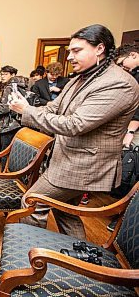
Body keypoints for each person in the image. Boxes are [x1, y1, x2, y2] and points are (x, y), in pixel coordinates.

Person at [9, 24, 139, 240]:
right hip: (67, 159)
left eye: (76, 50)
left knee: (32, 201)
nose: (69, 56)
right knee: (64, 210)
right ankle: (78, 257)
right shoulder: (81, 77)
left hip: (84, 165)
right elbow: (53, 108)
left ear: (100, 48)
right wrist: (26, 108)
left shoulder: (119, 83)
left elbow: (75, 125)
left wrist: (28, 111)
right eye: (70, 51)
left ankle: (27, 256)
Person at [107, 42, 139, 232]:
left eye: (123, 63)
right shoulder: (133, 74)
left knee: (131, 171)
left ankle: (126, 219)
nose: (123, 68)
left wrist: (130, 132)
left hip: (133, 131)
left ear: (133, 55)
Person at [0, 65, 28, 170]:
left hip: (8, 125)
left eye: (5, 74)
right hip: (20, 122)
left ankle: (4, 175)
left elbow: (5, 108)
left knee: (5, 151)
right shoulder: (23, 85)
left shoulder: (9, 87)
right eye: (1, 74)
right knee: (17, 152)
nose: (2, 76)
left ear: (13, 75)